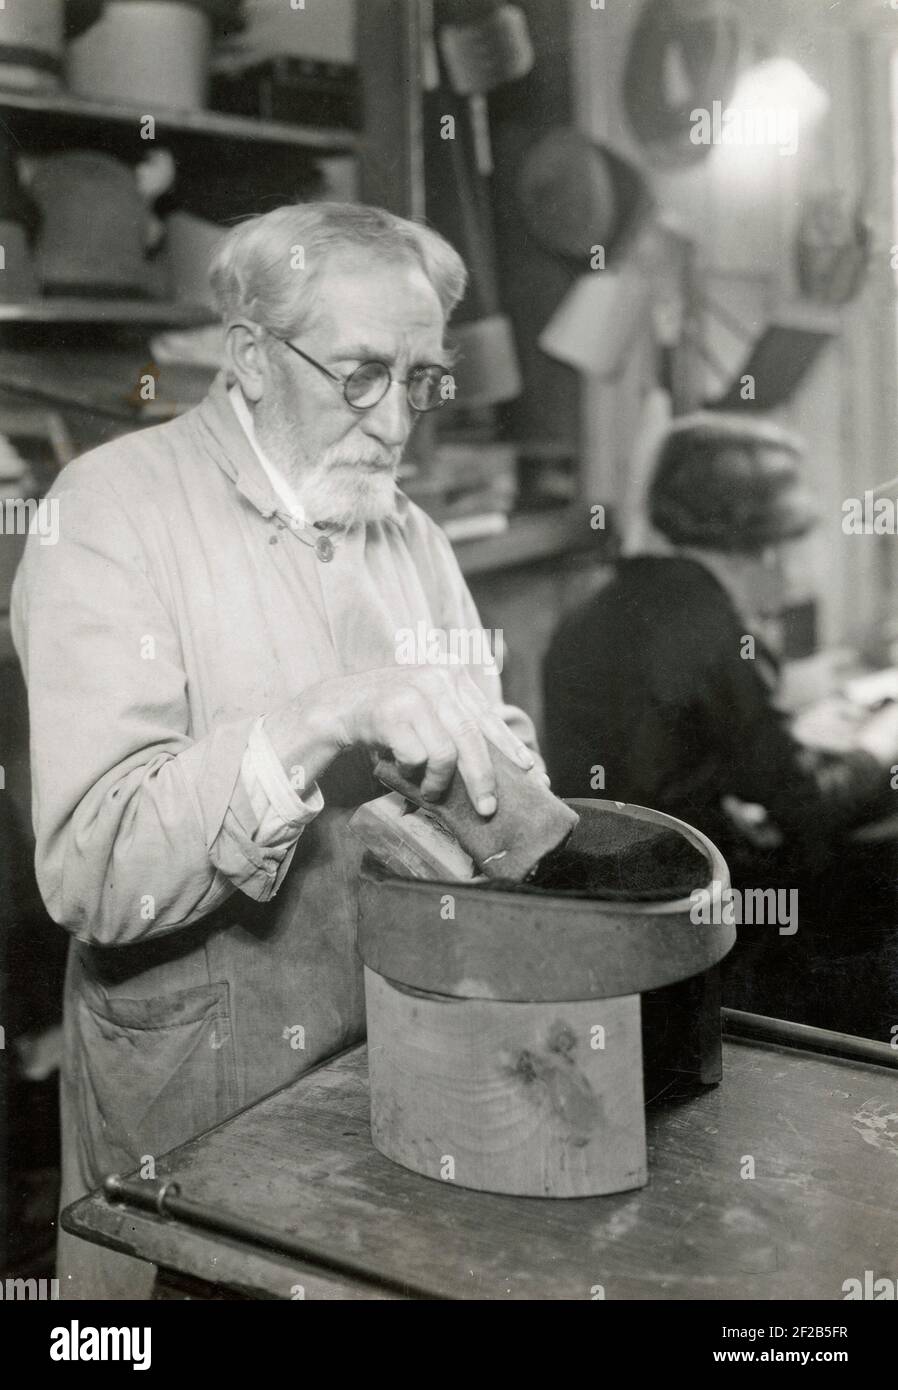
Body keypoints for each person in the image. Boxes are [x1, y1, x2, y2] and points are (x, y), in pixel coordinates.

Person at [12, 202, 543, 1298]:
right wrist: (324, 716)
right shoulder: (109, 511)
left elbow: (486, 753)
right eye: (360, 373)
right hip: (201, 1097)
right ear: (250, 357)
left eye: (421, 378)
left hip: (392, 1079)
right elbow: (94, 872)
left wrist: (494, 767)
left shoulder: (409, 530)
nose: (397, 421)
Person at [542, 412, 898, 1033]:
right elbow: (807, 799)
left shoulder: (594, 608)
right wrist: (883, 739)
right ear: (767, 544)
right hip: (687, 918)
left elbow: (653, 759)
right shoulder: (714, 631)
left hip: (595, 900)